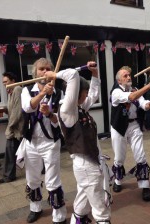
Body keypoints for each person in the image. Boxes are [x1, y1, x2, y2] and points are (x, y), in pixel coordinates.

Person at [45, 61, 112, 224]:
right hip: (86, 164)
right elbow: (72, 75)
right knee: (101, 210)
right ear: (75, 92)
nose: (87, 94)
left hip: (89, 162)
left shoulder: (80, 108)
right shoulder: (68, 111)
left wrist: (94, 74)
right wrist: (55, 75)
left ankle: (78, 219)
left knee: (82, 205)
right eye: (84, 91)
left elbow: (94, 95)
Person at [20, 58, 66, 224]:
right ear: (35, 72)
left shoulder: (60, 93)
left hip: (50, 143)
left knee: (53, 180)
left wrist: (49, 114)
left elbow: (60, 121)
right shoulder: (26, 90)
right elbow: (27, 107)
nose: (45, 71)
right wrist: (42, 94)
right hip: (31, 142)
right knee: (32, 178)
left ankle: (59, 215)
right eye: (41, 69)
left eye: (48, 68)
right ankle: (35, 208)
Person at [110, 65, 150, 201]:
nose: (129, 77)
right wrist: (148, 86)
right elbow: (131, 97)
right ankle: (118, 181)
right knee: (119, 157)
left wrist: (149, 105)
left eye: (129, 75)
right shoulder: (116, 93)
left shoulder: (135, 90)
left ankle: (145, 185)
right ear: (119, 81)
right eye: (125, 76)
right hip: (119, 127)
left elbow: (142, 103)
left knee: (140, 155)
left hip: (134, 125)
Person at [0, 72, 24, 184]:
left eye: (6, 82)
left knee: (11, 151)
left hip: (17, 128)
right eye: (3, 82)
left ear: (13, 81)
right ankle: (9, 175)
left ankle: (9, 175)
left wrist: (9, 127)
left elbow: (17, 112)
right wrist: (4, 109)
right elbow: (12, 109)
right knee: (20, 151)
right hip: (15, 128)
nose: (4, 84)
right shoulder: (10, 92)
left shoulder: (17, 89)